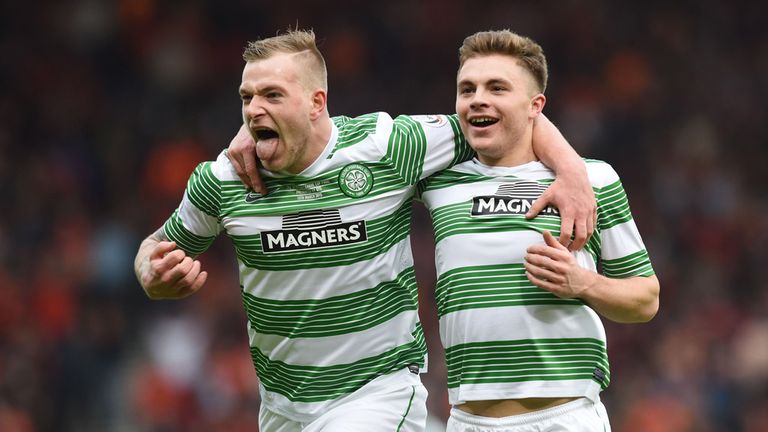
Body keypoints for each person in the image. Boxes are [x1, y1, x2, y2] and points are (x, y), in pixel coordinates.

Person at [135, 29, 594, 431]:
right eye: (247, 98)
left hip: (378, 393)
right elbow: (157, 246)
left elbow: (503, 118)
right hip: (283, 404)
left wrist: (571, 168)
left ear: (317, 103)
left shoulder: (386, 147)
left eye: (272, 96)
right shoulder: (224, 180)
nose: (254, 109)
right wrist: (149, 273)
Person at [415, 30, 660, 431]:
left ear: (536, 106)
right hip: (466, 419)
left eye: (497, 87)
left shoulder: (595, 180)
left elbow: (646, 300)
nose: (478, 98)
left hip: (563, 416)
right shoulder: (437, 179)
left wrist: (582, 283)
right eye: (467, 88)